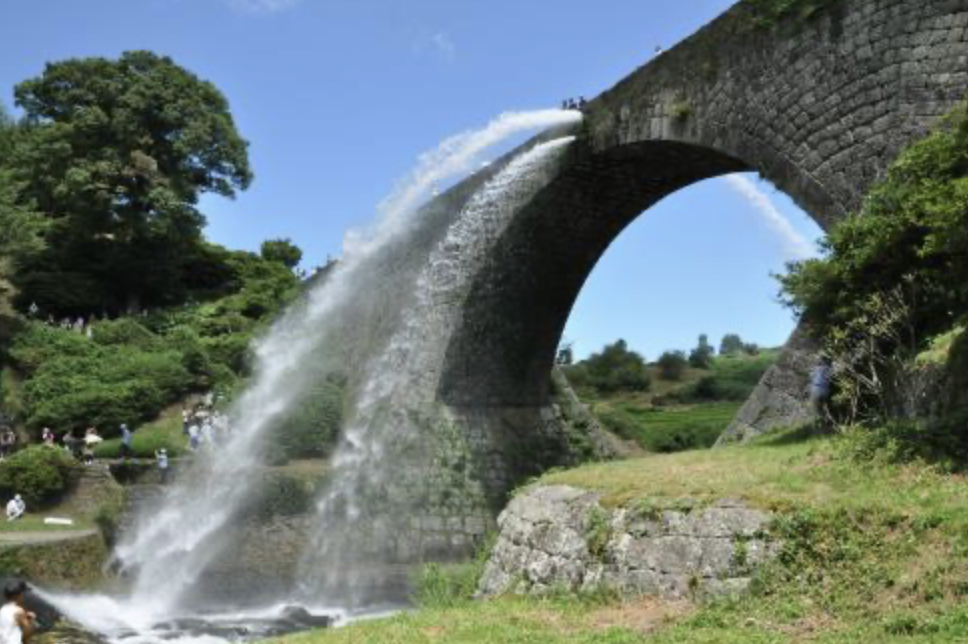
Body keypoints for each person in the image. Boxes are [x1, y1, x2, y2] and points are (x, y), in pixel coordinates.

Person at [809, 357, 834, 427]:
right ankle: (829, 419)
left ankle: (824, 420)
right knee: (826, 405)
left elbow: (811, 376)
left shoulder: (817, 368)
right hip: (826, 389)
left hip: (816, 389)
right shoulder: (831, 369)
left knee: (817, 408)